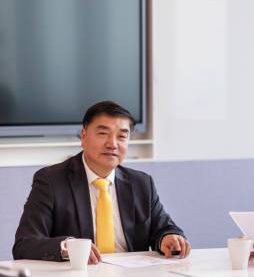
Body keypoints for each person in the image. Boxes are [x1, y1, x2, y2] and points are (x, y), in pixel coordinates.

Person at [13, 101, 190, 263]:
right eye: (103, 133)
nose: (112, 144)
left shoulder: (141, 183)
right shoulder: (51, 181)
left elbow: (164, 229)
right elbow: (25, 244)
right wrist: (68, 247)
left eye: (122, 136)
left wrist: (168, 238)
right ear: (84, 137)